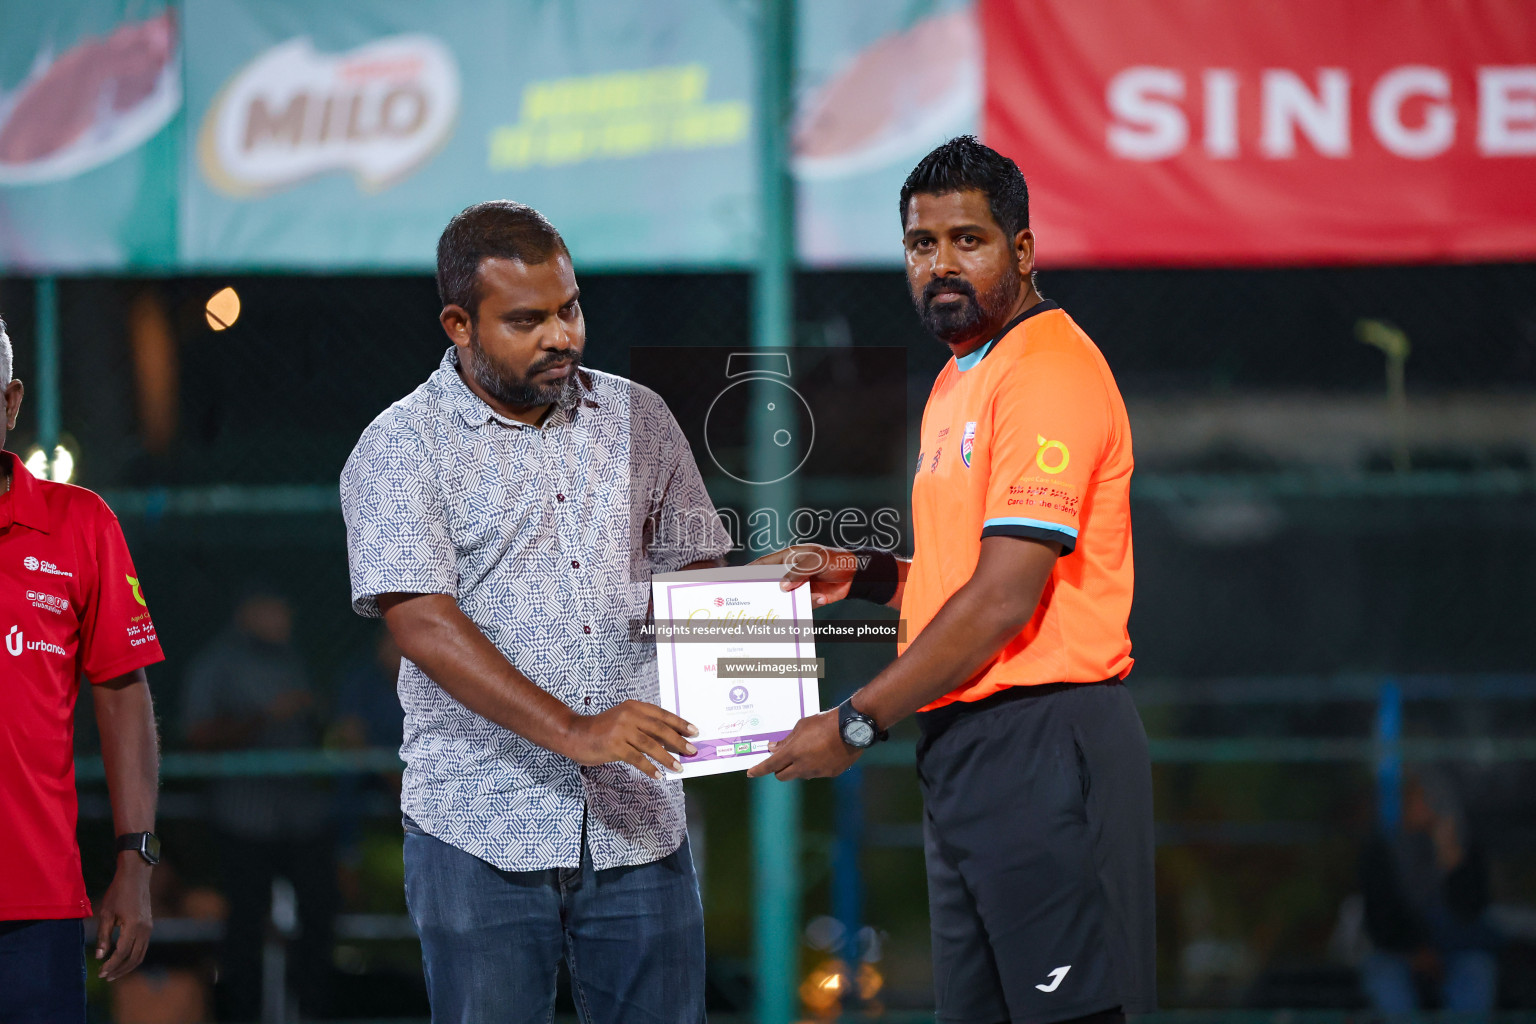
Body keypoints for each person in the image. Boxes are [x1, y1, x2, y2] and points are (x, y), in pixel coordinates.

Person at [747, 137, 1155, 1023]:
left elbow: (1006, 597)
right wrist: (860, 574)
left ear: (1023, 250)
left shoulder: (1046, 371)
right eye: (920, 244)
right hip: (970, 748)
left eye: (967, 240)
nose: (940, 264)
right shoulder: (959, 376)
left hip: (1044, 741)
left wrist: (855, 723)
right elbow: (958, 581)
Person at [340, 200, 732, 1023]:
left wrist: (768, 606)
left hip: (638, 820)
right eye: (527, 319)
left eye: (571, 308)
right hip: (478, 827)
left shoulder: (639, 417)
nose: (563, 336)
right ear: (459, 323)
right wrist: (578, 730)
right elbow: (423, 623)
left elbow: (700, 578)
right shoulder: (400, 445)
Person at [0, 315, 165, 1021]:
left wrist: (135, 859)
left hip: (35, 899)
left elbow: (124, 697)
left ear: (9, 403)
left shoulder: (80, 524)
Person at [180, 587, 335, 1021]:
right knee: (244, 928)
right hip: (244, 817)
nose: (286, 616)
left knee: (320, 914)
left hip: (302, 816)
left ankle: (312, 1011)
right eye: (276, 608)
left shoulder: (293, 658)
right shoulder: (216, 664)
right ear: (250, 612)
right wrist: (266, 716)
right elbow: (197, 738)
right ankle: (242, 1015)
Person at [1360, 770, 1499, 1011]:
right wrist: (1415, 949)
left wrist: (1454, 866)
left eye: (1432, 799)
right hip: (1401, 951)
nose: (1423, 806)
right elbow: (1379, 917)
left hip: (1456, 951)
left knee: (1477, 972)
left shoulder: (1466, 851)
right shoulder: (1384, 851)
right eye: (1417, 798)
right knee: (1386, 979)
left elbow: (1474, 915)